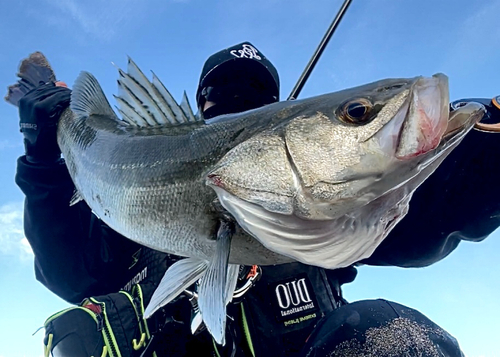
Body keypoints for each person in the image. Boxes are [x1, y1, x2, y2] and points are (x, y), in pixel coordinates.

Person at [13, 41, 500, 357]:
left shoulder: (338, 221)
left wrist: (485, 133)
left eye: (259, 100)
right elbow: (69, 271)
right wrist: (43, 154)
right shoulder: (133, 190)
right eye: (356, 114)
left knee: (390, 337)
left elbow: (442, 197)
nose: (238, 105)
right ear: (202, 107)